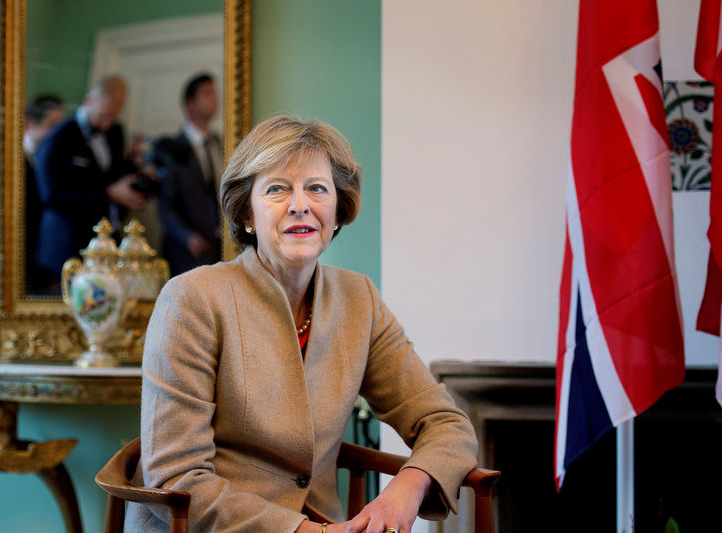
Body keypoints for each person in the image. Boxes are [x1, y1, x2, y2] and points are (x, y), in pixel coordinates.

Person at [126, 115, 479, 532]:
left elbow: (447, 424)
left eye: (316, 188)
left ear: (337, 210)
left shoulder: (359, 299)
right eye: (277, 189)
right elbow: (178, 479)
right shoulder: (192, 299)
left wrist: (408, 486)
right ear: (246, 214)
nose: (300, 204)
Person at [33, 75, 147, 292]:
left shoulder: (116, 131)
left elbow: (113, 175)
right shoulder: (58, 138)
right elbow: (51, 196)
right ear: (88, 101)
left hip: (105, 244)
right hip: (65, 247)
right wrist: (109, 193)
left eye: (114, 116)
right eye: (104, 115)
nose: (108, 123)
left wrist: (131, 180)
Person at [154, 72, 223, 276]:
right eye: (207, 93)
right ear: (190, 104)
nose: (215, 99)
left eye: (215, 93)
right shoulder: (170, 148)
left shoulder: (220, 143)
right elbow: (165, 205)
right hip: (185, 253)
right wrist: (187, 237)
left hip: (220, 250)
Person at [23, 94, 65, 293]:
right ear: (29, 124)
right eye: (51, 126)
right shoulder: (14, 160)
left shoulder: (56, 159)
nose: (57, 134)